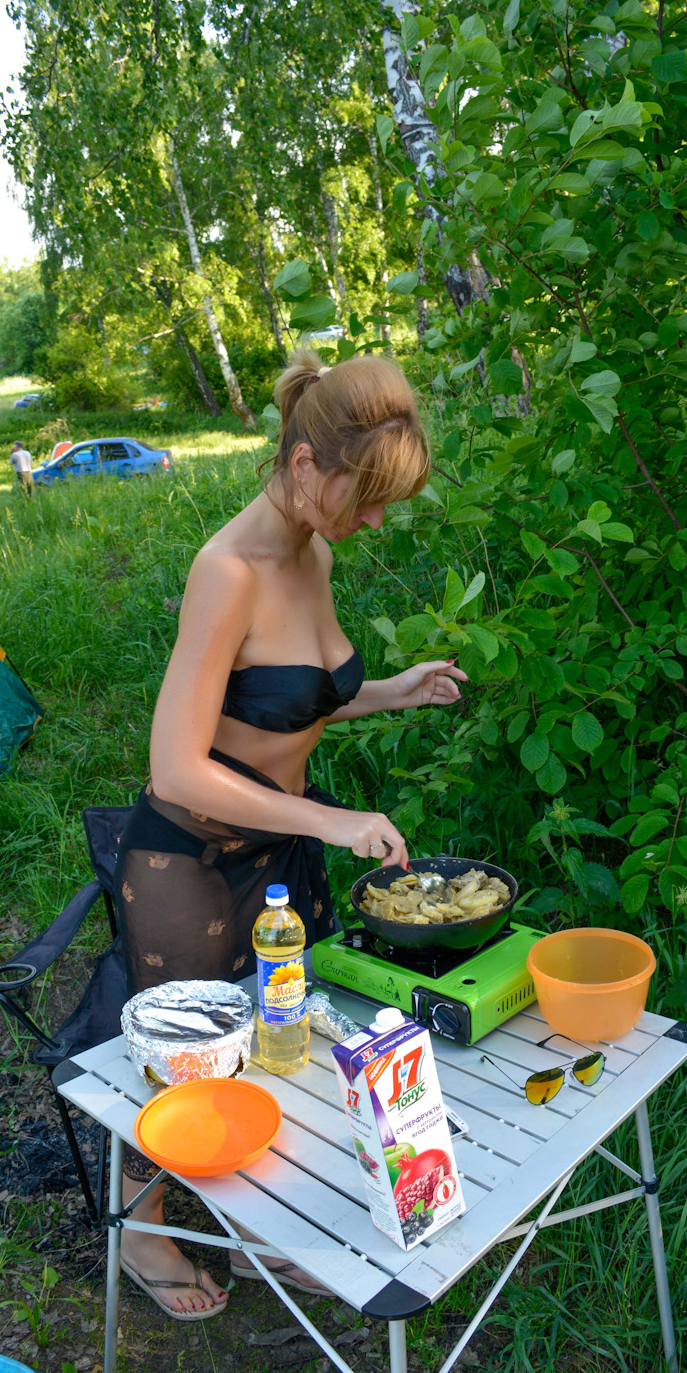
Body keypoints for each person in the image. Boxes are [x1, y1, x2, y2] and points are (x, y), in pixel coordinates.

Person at [114, 348, 466, 1318]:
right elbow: (178, 767)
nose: (378, 520)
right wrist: (334, 819)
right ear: (306, 468)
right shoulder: (224, 572)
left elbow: (286, 702)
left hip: (280, 852)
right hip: (190, 859)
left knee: (281, 1043)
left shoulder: (312, 547)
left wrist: (391, 692)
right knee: (186, 1061)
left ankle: (261, 1220)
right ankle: (143, 1228)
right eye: (368, 496)